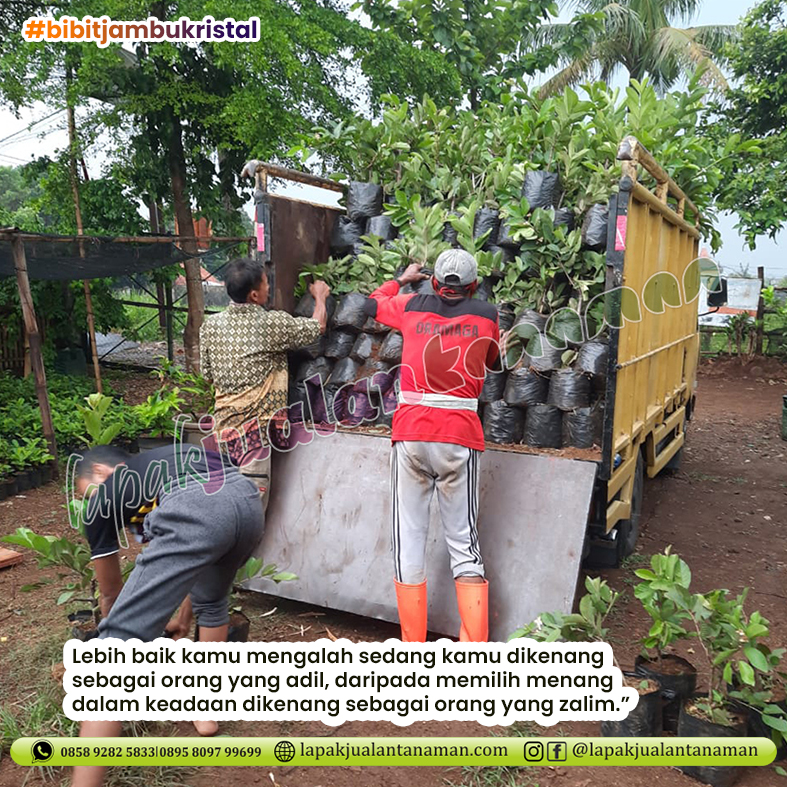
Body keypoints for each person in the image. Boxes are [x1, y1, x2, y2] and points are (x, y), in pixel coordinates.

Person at [70, 443, 264, 787]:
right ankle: (206, 713)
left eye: (87, 493)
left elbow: (111, 591)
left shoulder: (108, 494)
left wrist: (116, 633)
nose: (90, 503)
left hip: (197, 504)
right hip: (247, 502)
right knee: (213, 603)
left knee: (113, 649)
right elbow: (192, 551)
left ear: (100, 472)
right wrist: (182, 620)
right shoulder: (160, 468)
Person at [365, 249, 500, 643]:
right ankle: (473, 653)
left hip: (411, 432)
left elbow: (372, 303)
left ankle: (414, 649)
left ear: (435, 282)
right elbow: (492, 362)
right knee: (464, 542)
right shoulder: (487, 316)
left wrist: (403, 280)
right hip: (459, 434)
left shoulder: (411, 305)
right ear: (474, 285)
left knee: (409, 538)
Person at [199, 258, 330, 510]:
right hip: (254, 438)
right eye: (266, 283)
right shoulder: (270, 323)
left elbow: (208, 374)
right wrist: (320, 296)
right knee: (250, 509)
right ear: (254, 295)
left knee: (222, 505)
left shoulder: (210, 326)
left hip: (222, 433)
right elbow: (318, 326)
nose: (269, 287)